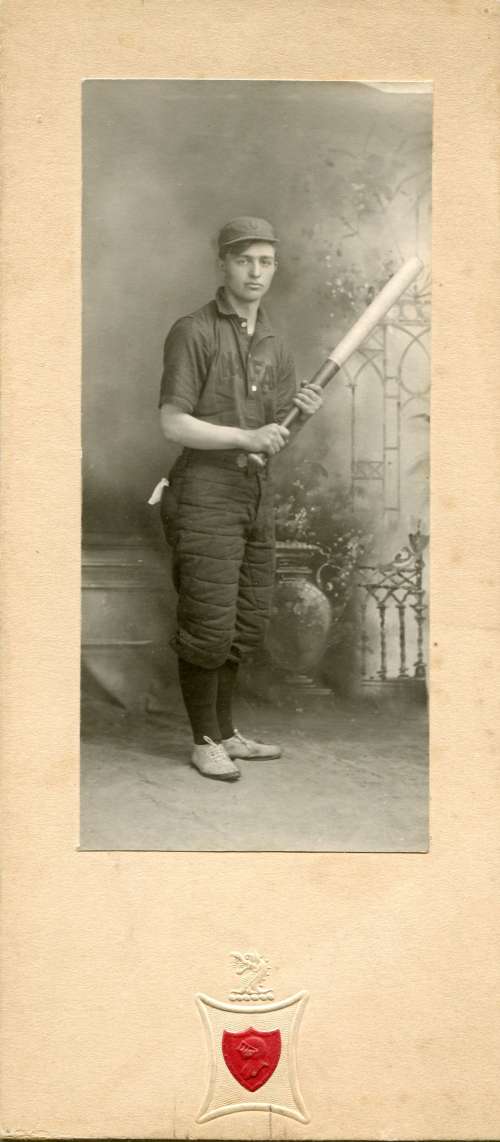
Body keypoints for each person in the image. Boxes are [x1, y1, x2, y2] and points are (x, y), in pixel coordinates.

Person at [158, 216, 322, 781]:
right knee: (207, 621)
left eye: (266, 262)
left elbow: (273, 436)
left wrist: (298, 417)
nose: (256, 272)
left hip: (254, 494)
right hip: (203, 493)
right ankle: (204, 741)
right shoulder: (193, 331)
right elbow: (173, 423)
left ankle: (226, 733)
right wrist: (245, 438)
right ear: (222, 264)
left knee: (243, 621)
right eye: (244, 260)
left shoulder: (274, 342)